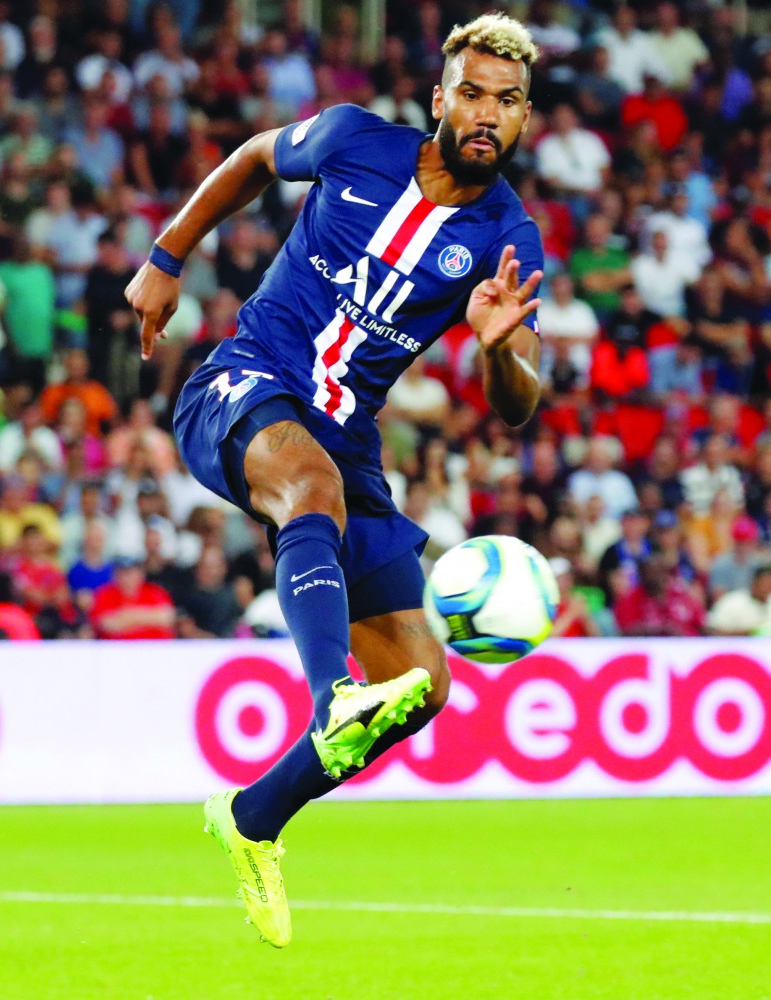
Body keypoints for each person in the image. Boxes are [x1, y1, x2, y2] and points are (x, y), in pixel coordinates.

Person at [126, 13, 544, 949]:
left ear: (524, 118)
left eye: (507, 102)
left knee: (423, 684)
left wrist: (495, 349)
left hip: (346, 440)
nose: (487, 115)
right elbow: (251, 158)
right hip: (244, 384)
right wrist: (166, 257)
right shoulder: (355, 140)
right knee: (307, 489)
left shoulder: (506, 237)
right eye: (471, 94)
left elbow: (519, 398)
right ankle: (330, 697)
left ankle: (254, 816)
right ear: (439, 99)